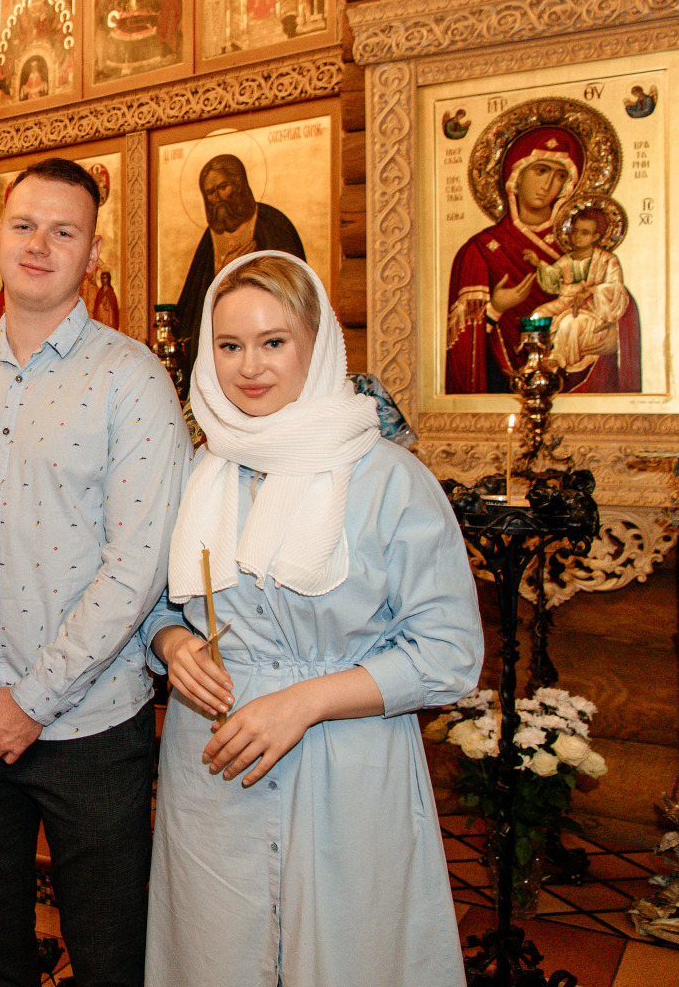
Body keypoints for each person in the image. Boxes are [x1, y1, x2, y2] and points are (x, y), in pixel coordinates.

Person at [145, 251, 482, 987]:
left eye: (273, 342)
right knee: (214, 956)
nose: (249, 367)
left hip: (345, 759)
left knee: (350, 956)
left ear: (318, 341)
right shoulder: (200, 470)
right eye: (229, 345)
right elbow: (158, 608)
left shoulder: (389, 479)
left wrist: (303, 701)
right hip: (216, 760)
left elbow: (449, 653)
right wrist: (171, 645)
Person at [0, 157, 188, 987]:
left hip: (90, 725)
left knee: (109, 956)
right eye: (23, 225)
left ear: (92, 254)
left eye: (63, 231)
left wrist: (30, 702)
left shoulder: (131, 380)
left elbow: (137, 565)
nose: (38, 245)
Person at [444, 125, 641, 393]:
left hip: (588, 382)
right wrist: (495, 309)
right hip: (505, 388)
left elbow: (618, 299)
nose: (548, 185)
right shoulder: (480, 251)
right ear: (515, 175)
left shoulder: (582, 246)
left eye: (560, 176)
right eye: (541, 171)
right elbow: (460, 351)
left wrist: (619, 340)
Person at [173, 153, 304, 388]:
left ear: (239, 185)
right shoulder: (209, 239)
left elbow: (296, 293)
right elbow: (192, 304)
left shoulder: (273, 224)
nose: (217, 198)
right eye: (210, 192)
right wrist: (222, 275)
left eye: (223, 187)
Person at [530, 207, 639, 389]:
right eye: (575, 232)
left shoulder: (607, 260)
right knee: (538, 315)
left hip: (593, 309)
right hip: (565, 302)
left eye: (585, 233)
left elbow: (616, 288)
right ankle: (535, 364)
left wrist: (591, 291)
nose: (577, 237)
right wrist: (538, 264)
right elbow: (552, 279)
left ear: (596, 236)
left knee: (569, 324)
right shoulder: (567, 259)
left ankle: (557, 360)